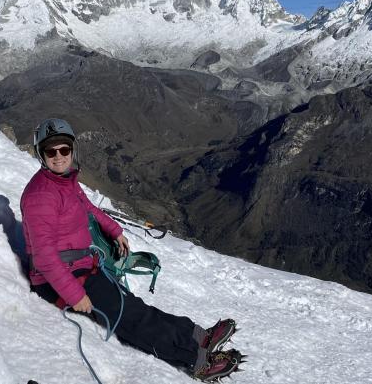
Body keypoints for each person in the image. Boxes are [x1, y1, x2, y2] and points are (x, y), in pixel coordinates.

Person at [20, 118, 243, 381]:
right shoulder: (41, 196)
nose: (58, 157)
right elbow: (45, 258)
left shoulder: (64, 182)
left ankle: (197, 335)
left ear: (72, 151)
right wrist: (74, 294)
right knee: (129, 317)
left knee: (134, 306)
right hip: (62, 279)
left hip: (79, 267)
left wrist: (115, 230)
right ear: (41, 155)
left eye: (64, 150)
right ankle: (197, 360)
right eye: (51, 151)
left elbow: (87, 208)